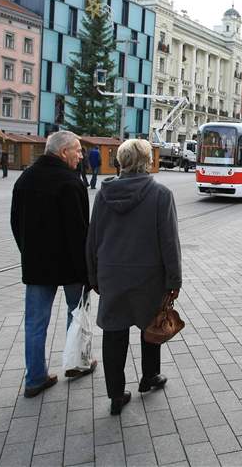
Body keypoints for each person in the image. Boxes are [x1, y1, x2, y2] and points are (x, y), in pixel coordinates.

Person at [86, 139, 182, 415]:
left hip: (111, 275)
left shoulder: (103, 195)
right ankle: (149, 376)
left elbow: (93, 239)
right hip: (148, 277)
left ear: (121, 162)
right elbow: (169, 242)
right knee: (150, 327)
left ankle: (116, 394)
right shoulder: (161, 194)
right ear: (146, 162)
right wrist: (174, 281)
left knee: (114, 333)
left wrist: (93, 275)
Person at [10, 131, 96, 399]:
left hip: (37, 265)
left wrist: (28, 252)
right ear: (63, 153)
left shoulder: (25, 179)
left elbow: (15, 223)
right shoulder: (71, 183)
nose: (81, 156)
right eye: (78, 150)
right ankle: (77, 364)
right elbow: (80, 231)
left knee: (35, 323)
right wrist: (87, 270)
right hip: (71, 266)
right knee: (77, 316)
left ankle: (35, 378)